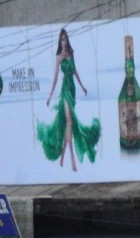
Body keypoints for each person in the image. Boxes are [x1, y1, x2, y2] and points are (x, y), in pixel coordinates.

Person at [37, 27, 98, 171]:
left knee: (69, 124)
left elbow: (75, 71)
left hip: (73, 89)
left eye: (65, 39)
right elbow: (55, 77)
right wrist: (50, 95)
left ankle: (64, 156)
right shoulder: (58, 57)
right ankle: (71, 158)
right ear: (60, 41)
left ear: (67, 40)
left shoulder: (71, 53)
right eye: (62, 39)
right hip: (64, 89)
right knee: (69, 120)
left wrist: (82, 86)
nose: (64, 41)